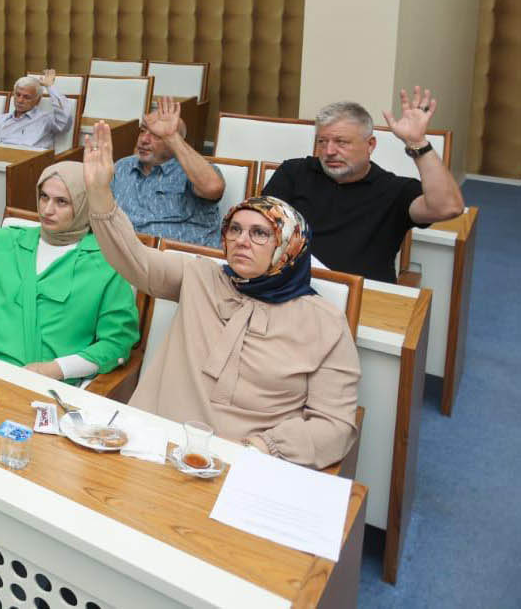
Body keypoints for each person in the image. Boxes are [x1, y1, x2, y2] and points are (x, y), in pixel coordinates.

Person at [85, 120, 360, 470]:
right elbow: (135, 260)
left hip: (250, 464)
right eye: (234, 230)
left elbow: (334, 425)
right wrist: (99, 193)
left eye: (260, 233)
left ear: (289, 246)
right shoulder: (200, 275)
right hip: (154, 447)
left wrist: (263, 448)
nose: (242, 241)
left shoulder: (323, 320)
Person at [0, 156, 138, 382]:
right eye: (44, 197)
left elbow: (117, 343)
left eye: (62, 202)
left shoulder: (107, 264)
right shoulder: (8, 240)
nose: (47, 209)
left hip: (44, 382)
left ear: (85, 204)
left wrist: (57, 369)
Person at [262, 90, 465, 283]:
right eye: (322, 141)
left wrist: (417, 142)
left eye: (341, 142)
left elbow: (448, 207)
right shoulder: (293, 173)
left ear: (370, 145)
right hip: (290, 288)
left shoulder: (394, 190)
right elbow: (260, 228)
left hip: (365, 298)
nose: (329, 151)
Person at [109, 97, 224, 245]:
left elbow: (213, 188)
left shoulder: (192, 171)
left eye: (157, 135)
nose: (144, 140)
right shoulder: (122, 167)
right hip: (124, 256)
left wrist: (170, 136)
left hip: (181, 260)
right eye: (143, 131)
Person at [0, 72, 74, 150]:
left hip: (33, 161)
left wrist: (50, 87)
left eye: (26, 97)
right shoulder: (1, 120)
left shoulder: (45, 119)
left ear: (37, 100)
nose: (20, 100)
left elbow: (65, 120)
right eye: (17, 95)